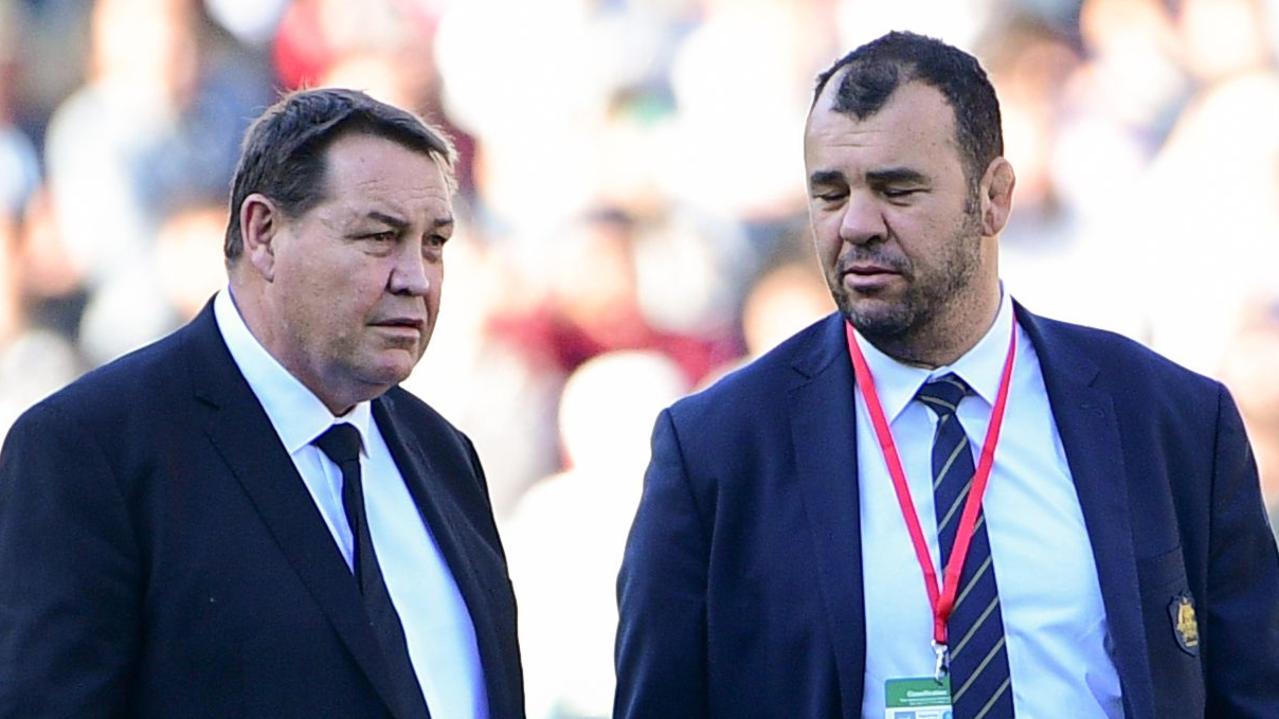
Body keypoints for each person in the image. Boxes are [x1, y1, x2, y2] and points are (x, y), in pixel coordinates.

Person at [614, 31, 1279, 719]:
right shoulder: (716, 452)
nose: (857, 224)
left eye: (896, 189)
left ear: (994, 196)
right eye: (829, 193)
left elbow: (1251, 691)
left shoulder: (1170, 421)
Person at [0, 88, 524, 718]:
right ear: (264, 233)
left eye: (434, 243)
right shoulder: (93, 450)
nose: (415, 276)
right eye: (380, 237)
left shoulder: (444, 455)